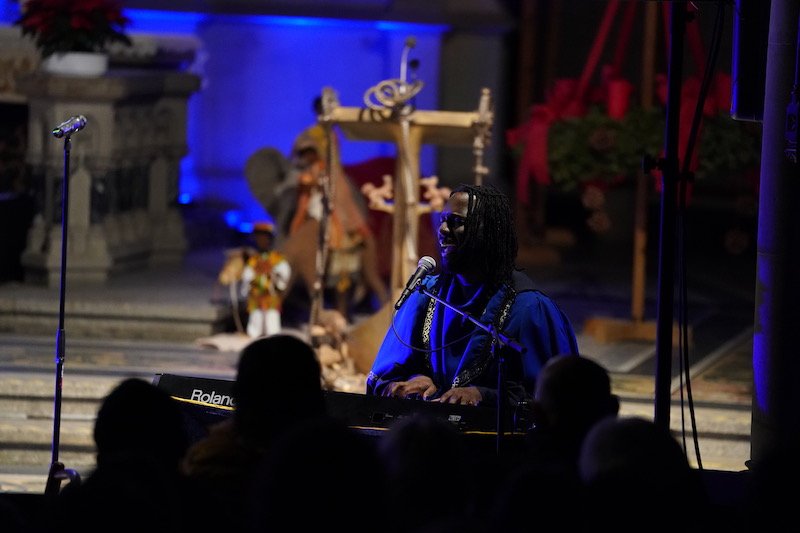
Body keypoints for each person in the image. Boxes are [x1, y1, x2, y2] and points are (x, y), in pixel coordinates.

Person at [366, 183, 579, 409]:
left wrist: (485, 395)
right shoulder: (426, 296)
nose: (444, 230)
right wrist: (412, 380)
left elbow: (556, 401)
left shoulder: (529, 309)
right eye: (443, 221)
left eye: (457, 222)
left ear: (488, 232)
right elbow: (382, 377)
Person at [240, 221, 291, 338]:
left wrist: (276, 277)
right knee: (255, 321)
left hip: (270, 295)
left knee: (272, 321)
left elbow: (284, 271)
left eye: (264, 238)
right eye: (259, 238)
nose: (262, 241)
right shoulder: (253, 259)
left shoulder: (276, 258)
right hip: (256, 295)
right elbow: (247, 274)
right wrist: (249, 279)